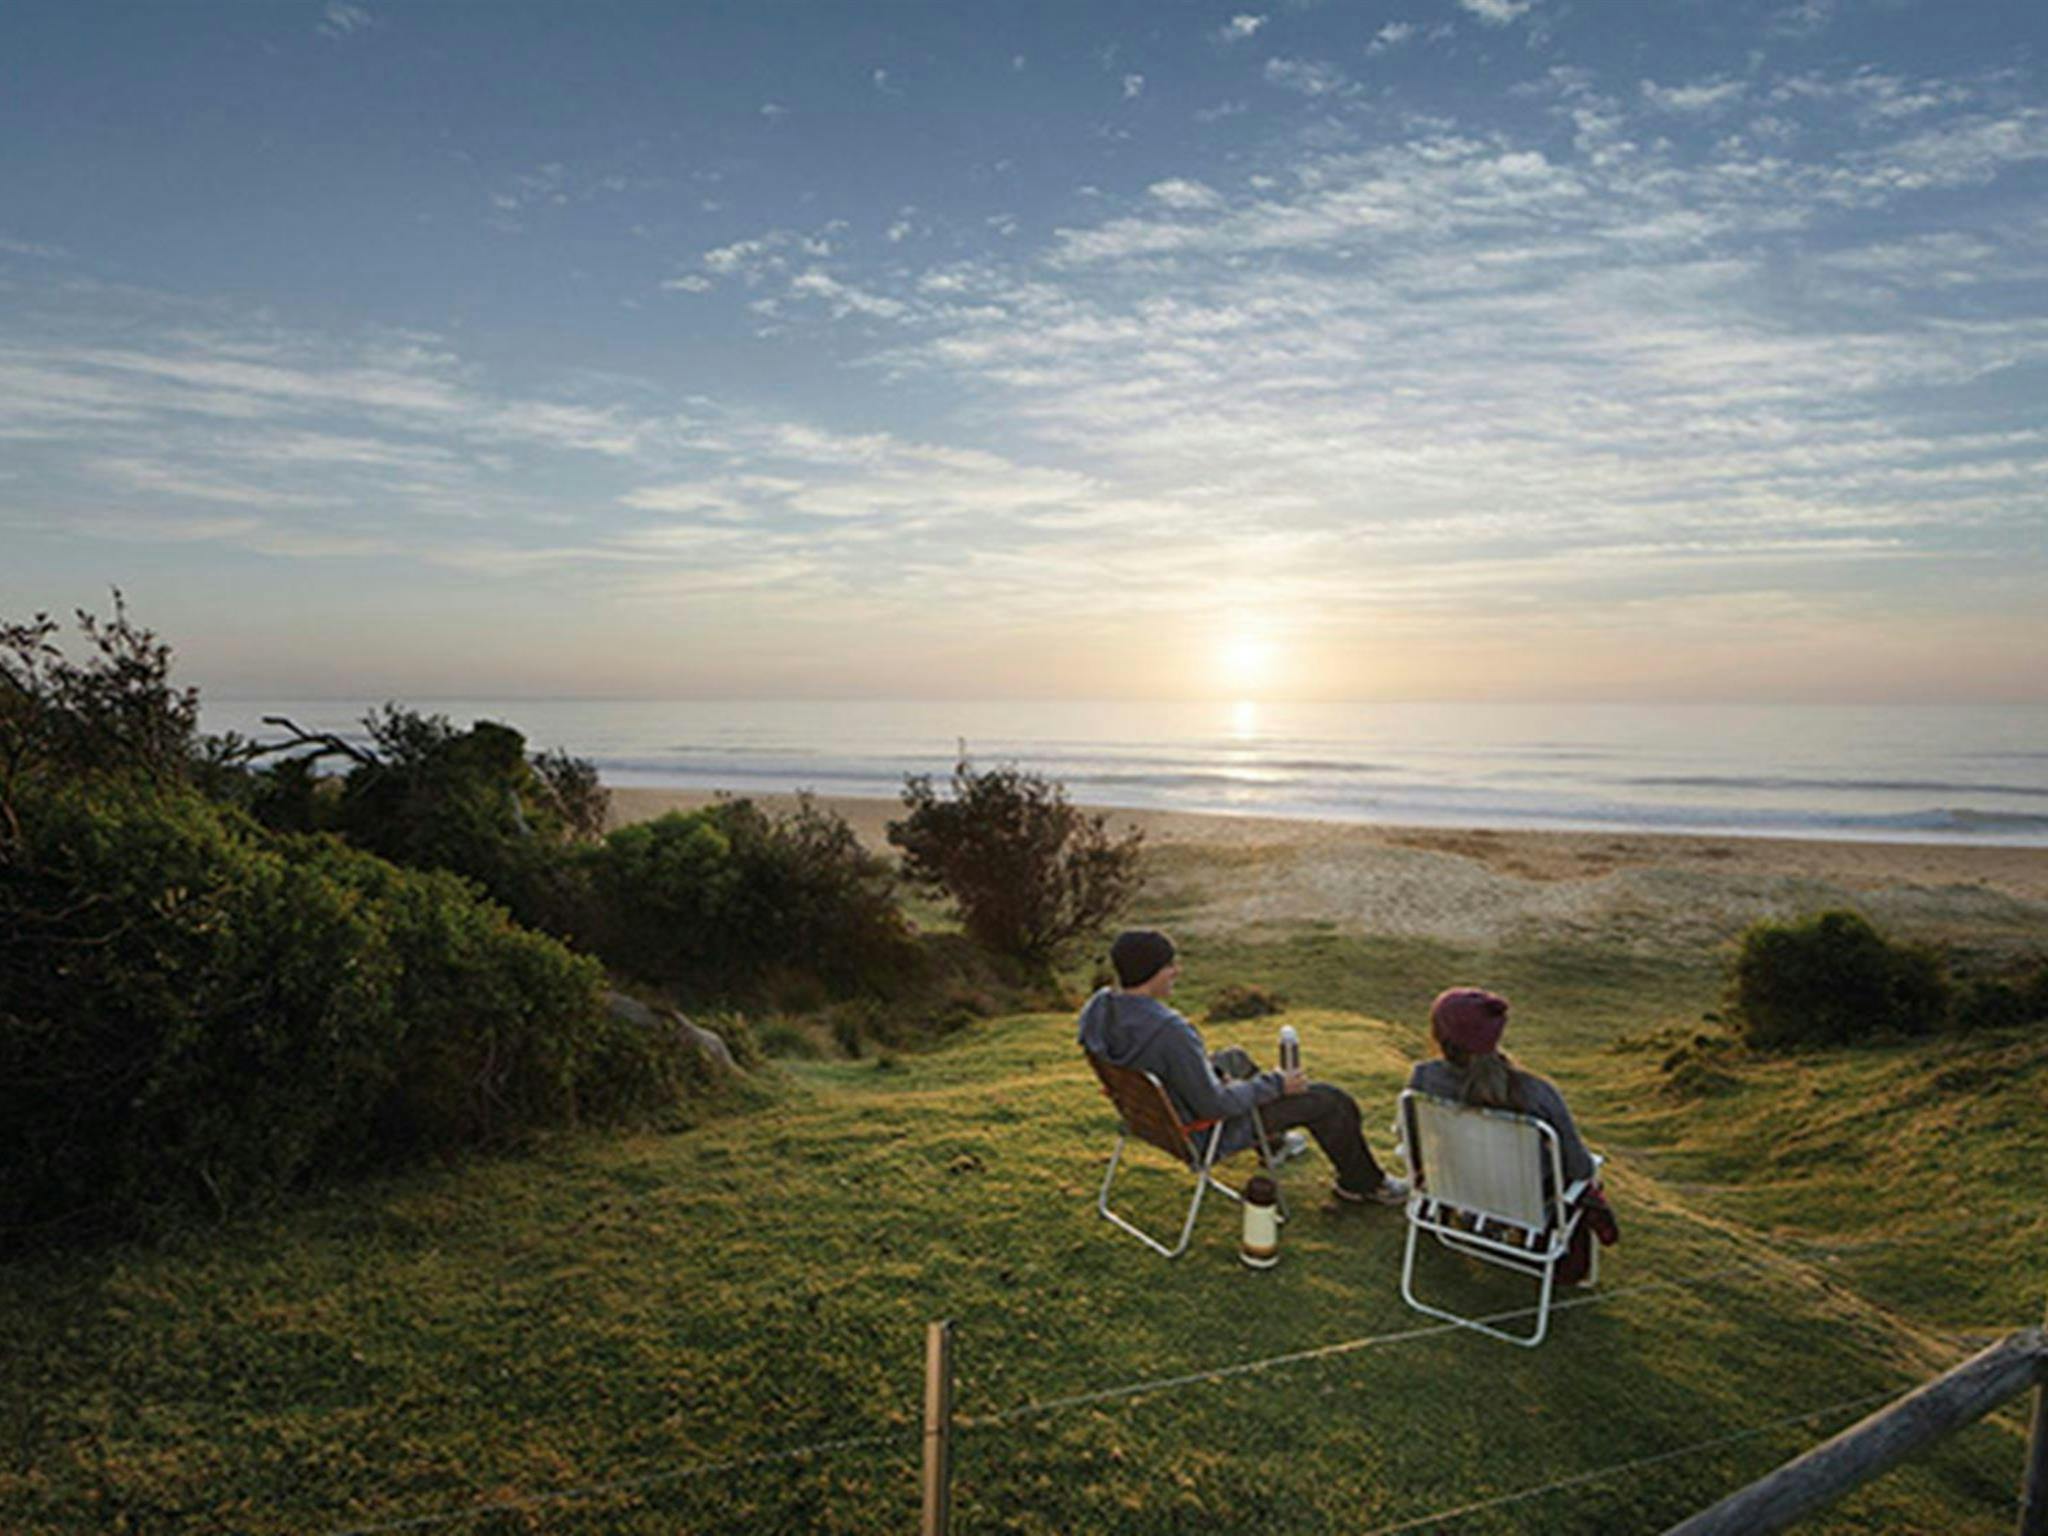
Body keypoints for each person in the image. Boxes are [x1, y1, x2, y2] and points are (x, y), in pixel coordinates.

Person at [1076, 929, 1408, 1205]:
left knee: (1233, 1057)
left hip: (1151, 1118)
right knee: (1329, 1100)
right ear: (1152, 972)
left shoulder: (1100, 1008)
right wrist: (1276, 1085)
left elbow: (1167, 1069)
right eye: (1170, 965)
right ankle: (1362, 1184)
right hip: (1200, 1134)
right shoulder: (1169, 1030)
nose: (1177, 970)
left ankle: (1274, 1145)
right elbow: (1214, 1105)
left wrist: (1214, 1075)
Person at [1407, 987, 1616, 1280]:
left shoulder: (1423, 1078)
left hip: (1455, 1184)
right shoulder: (1537, 1093)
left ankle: (1470, 1219)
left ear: (1439, 1034)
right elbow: (1579, 1168)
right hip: (1525, 1198)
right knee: (1585, 1179)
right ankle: (1559, 1256)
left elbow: (1414, 1144)